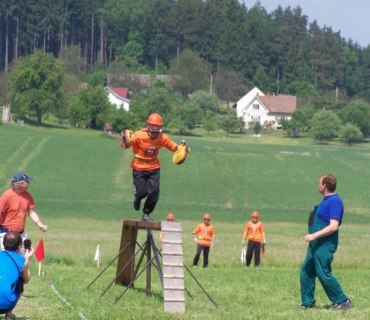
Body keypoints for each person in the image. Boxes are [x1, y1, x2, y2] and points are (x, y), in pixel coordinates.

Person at [300, 174, 352, 310]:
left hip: (325, 244)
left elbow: (333, 226)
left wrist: (314, 235)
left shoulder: (335, 201)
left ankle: (343, 301)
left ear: (324, 186)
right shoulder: (325, 200)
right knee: (306, 271)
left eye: (319, 183)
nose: (318, 185)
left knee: (323, 273)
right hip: (316, 244)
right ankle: (308, 303)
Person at [120, 113, 186, 221]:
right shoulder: (139, 135)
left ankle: (146, 214)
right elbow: (127, 143)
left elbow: (174, 147)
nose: (155, 128)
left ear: (160, 127)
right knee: (142, 192)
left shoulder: (162, 137)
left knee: (154, 192)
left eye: (157, 126)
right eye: (152, 125)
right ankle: (138, 197)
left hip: (153, 167)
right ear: (148, 125)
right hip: (139, 166)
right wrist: (124, 137)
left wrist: (182, 149)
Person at [0, 172, 48, 250]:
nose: (29, 183)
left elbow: (31, 211)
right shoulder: (6, 196)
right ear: (22, 184)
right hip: (7, 234)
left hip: (21, 233)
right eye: (27, 181)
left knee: (23, 257)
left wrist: (40, 224)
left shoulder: (27, 195)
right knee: (10, 257)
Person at [0, 231, 34, 320]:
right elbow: (26, 279)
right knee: (20, 279)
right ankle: (9, 315)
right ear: (19, 246)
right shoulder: (21, 260)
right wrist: (27, 259)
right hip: (6, 305)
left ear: (3, 244)